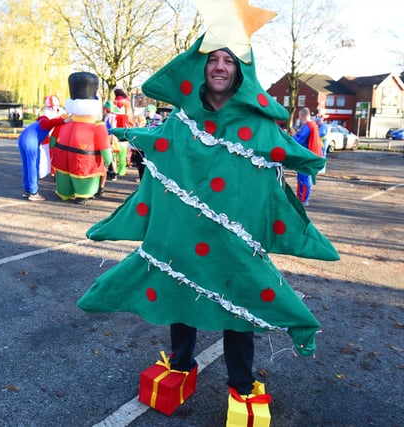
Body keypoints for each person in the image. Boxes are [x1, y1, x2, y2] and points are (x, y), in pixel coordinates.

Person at [77, 0, 338, 410]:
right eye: (213, 59)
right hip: (184, 242)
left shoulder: (258, 126)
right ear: (202, 68)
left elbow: (283, 161)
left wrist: (307, 162)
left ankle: (241, 386)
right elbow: (157, 170)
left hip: (234, 247)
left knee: (239, 313)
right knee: (182, 298)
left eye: (228, 61)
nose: (219, 67)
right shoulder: (181, 122)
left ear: (240, 70)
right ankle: (179, 366)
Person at [50, 72, 112, 204]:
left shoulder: (63, 121)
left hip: (62, 158)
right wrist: (109, 161)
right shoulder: (97, 126)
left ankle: (64, 192)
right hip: (84, 161)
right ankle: (83, 194)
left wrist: (51, 149)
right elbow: (105, 147)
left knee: (63, 178)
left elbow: (53, 140)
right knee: (83, 180)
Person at [17, 95, 68, 202]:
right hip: (31, 140)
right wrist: (62, 121)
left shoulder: (42, 118)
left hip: (23, 137)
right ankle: (33, 193)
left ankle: (27, 190)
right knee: (33, 165)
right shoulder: (47, 120)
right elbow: (49, 123)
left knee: (26, 165)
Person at [292, 107, 323, 206]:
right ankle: (301, 197)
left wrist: (293, 135)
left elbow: (300, 140)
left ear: (301, 116)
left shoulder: (308, 126)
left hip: (307, 156)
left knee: (304, 177)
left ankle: (303, 199)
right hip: (309, 155)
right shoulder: (312, 125)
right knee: (302, 177)